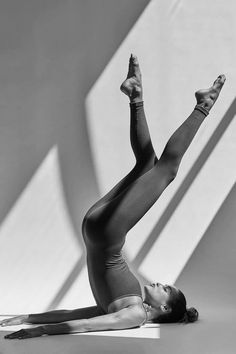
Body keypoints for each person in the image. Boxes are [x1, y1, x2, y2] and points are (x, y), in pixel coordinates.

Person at [1, 55, 225, 339]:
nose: (158, 283)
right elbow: (75, 315)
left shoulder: (135, 314)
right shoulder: (126, 306)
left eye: (165, 289)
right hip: (96, 228)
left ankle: (204, 104)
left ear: (165, 309)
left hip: (106, 232)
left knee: (167, 170)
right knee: (147, 163)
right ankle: (135, 93)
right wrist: (30, 317)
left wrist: (42, 330)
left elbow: (82, 325)